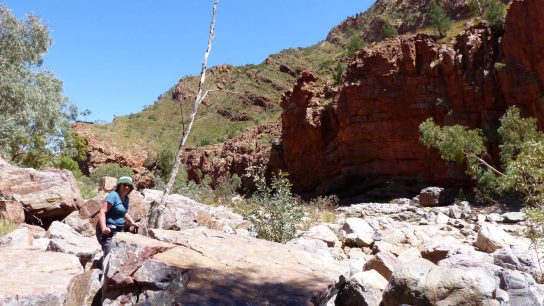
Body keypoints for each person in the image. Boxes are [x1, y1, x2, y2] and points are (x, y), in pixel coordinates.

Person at [96, 176, 139, 261]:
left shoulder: (126, 198)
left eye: (129, 186)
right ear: (119, 185)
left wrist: (133, 222)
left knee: (116, 254)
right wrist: (104, 228)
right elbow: (102, 211)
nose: (127, 187)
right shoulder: (113, 196)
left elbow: (124, 212)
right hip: (108, 230)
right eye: (124, 185)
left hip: (119, 230)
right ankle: (102, 272)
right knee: (109, 255)